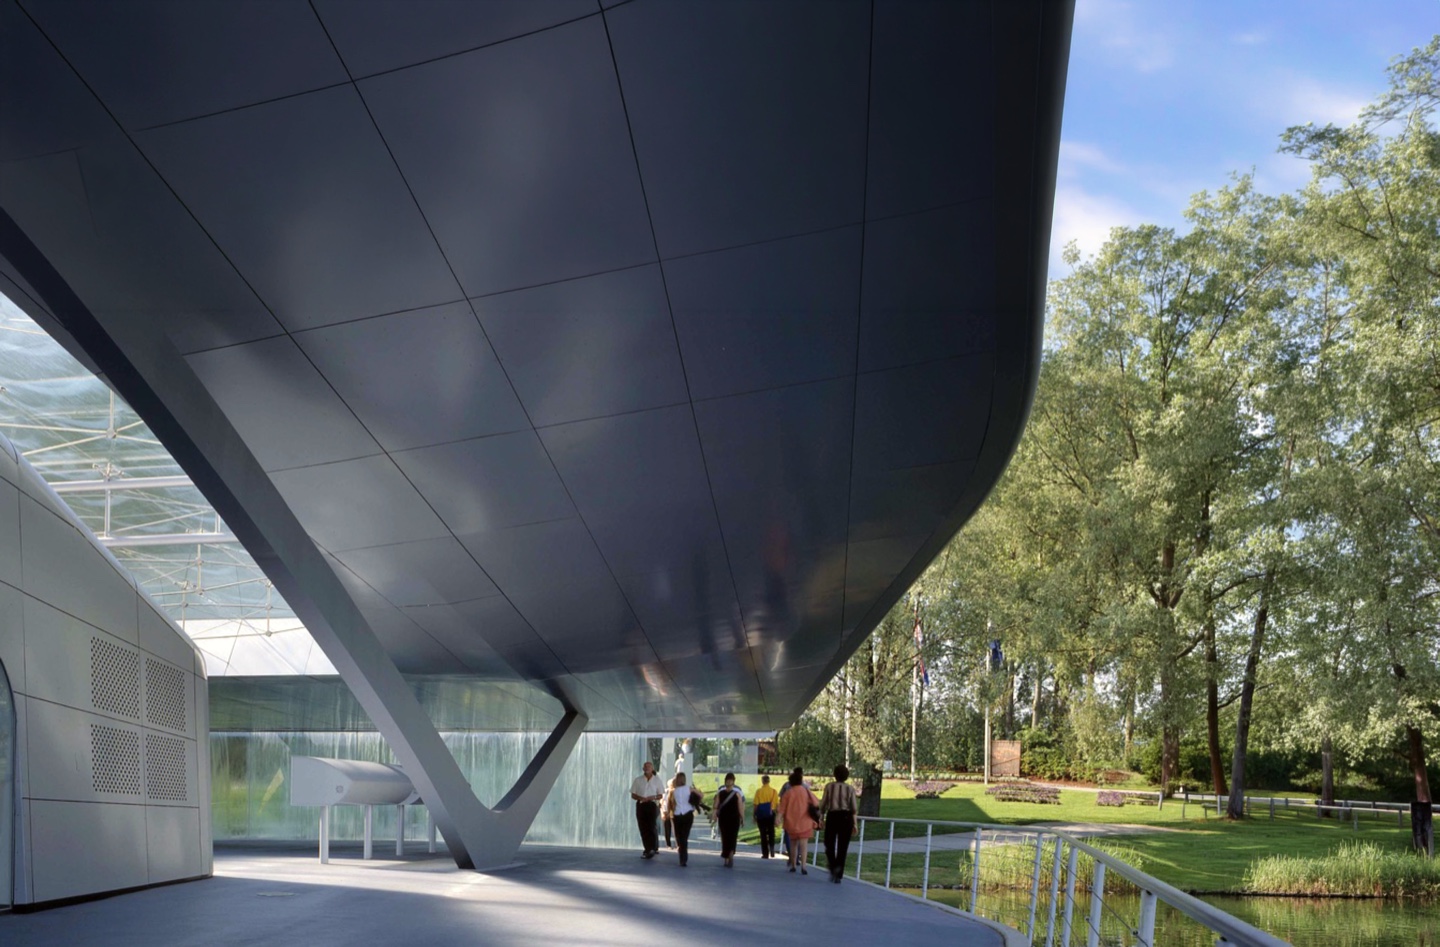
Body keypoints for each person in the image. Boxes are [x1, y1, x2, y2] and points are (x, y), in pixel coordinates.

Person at [777, 767, 820, 875]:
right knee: (804, 845)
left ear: (790, 782)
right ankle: (804, 866)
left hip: (791, 822)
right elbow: (816, 803)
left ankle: (793, 864)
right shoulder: (806, 791)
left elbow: (782, 808)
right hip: (805, 822)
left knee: (793, 844)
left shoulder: (788, 793)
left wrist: (777, 819)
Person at [821, 763, 858, 883]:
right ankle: (839, 872)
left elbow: (823, 804)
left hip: (832, 816)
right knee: (843, 847)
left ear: (835, 774)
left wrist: (821, 818)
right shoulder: (850, 789)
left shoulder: (829, 787)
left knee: (829, 843)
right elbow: (853, 808)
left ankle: (833, 866)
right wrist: (855, 824)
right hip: (846, 818)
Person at [663, 771, 705, 867]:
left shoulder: (673, 791)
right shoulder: (689, 789)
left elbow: (669, 804)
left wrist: (668, 814)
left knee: (678, 835)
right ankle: (683, 858)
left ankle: (680, 850)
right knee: (684, 837)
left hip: (676, 815)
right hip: (688, 814)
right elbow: (701, 795)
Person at [630, 761, 664, 858]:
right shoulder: (638, 780)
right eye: (645, 767)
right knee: (643, 827)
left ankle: (652, 848)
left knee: (651, 826)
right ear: (643, 769)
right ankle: (648, 848)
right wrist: (641, 798)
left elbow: (661, 795)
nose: (647, 768)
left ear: (652, 769)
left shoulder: (657, 780)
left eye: (649, 767)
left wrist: (652, 797)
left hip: (652, 805)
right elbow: (633, 794)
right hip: (641, 805)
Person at [713, 772, 745, 867]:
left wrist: (714, 816)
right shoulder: (737, 794)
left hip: (723, 818)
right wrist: (742, 818)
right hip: (734, 818)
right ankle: (730, 855)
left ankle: (726, 858)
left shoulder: (720, 793)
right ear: (733, 782)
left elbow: (715, 806)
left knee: (725, 837)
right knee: (732, 837)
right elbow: (740, 807)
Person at [752, 774, 779, 859]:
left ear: (762, 781)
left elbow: (756, 804)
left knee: (763, 834)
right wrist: (777, 815)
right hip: (771, 814)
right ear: (769, 781)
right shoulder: (774, 791)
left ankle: (765, 853)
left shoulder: (758, 791)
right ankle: (772, 847)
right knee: (771, 832)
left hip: (761, 815)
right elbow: (777, 804)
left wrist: (754, 815)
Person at [660, 775, 678, 849]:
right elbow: (662, 801)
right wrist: (662, 812)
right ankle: (668, 844)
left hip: (675, 812)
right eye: (672, 784)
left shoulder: (677, 791)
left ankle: (678, 844)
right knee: (667, 828)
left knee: (676, 829)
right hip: (666, 811)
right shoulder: (666, 791)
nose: (673, 785)